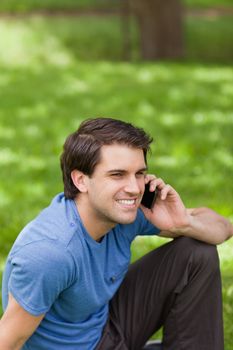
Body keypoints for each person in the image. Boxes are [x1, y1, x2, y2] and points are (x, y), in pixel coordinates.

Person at [0, 117, 232, 350]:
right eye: (117, 175)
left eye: (139, 173)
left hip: (106, 326)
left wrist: (184, 223)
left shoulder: (123, 211)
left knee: (196, 252)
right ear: (81, 180)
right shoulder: (50, 253)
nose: (134, 188)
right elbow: (8, 340)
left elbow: (224, 227)